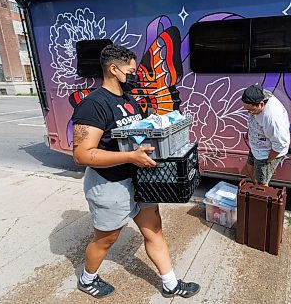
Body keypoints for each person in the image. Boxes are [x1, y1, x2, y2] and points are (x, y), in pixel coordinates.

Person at [71, 44, 200, 299]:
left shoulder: (129, 101)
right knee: (106, 239)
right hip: (109, 184)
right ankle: (87, 279)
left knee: (154, 229)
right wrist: (130, 156)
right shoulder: (93, 105)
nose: (135, 76)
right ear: (113, 68)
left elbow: (139, 135)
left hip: (140, 180)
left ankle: (170, 283)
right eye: (131, 71)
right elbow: (82, 154)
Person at [241, 84, 290, 186]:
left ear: (262, 104)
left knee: (262, 183)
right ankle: (256, 187)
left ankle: (260, 195)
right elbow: (254, 119)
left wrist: (268, 161)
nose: (249, 113)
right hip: (257, 144)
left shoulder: (272, 119)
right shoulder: (260, 96)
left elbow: (281, 144)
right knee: (249, 169)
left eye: (251, 110)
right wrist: (249, 132)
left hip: (266, 152)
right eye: (247, 110)